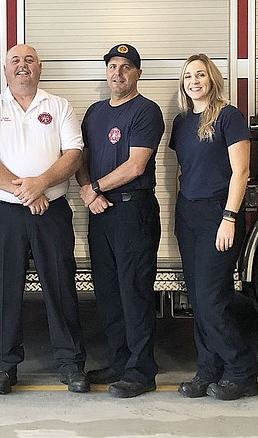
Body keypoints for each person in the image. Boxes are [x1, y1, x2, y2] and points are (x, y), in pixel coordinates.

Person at [0, 44, 89, 395]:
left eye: (29, 60)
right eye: (15, 61)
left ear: (40, 67)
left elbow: (74, 154)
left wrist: (40, 185)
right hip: (2, 215)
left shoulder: (59, 106)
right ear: (5, 70)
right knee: (4, 290)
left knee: (61, 287)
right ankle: (4, 366)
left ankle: (71, 365)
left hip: (50, 212)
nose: (22, 66)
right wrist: (26, 191)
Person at [169, 54, 258, 401]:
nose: (194, 81)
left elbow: (241, 172)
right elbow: (182, 170)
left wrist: (229, 218)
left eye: (200, 74)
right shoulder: (181, 122)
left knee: (211, 299)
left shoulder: (228, 117)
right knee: (196, 299)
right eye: (188, 75)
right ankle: (208, 371)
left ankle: (242, 372)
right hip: (188, 216)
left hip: (217, 216)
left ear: (212, 78)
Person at [76, 43, 164, 398]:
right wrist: (87, 190)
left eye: (126, 67)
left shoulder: (146, 111)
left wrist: (93, 188)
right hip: (100, 212)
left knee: (134, 291)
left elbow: (136, 165)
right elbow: (80, 156)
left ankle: (142, 371)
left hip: (133, 211)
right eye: (113, 66)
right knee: (109, 291)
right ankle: (119, 360)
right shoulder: (95, 112)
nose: (118, 73)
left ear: (138, 73)